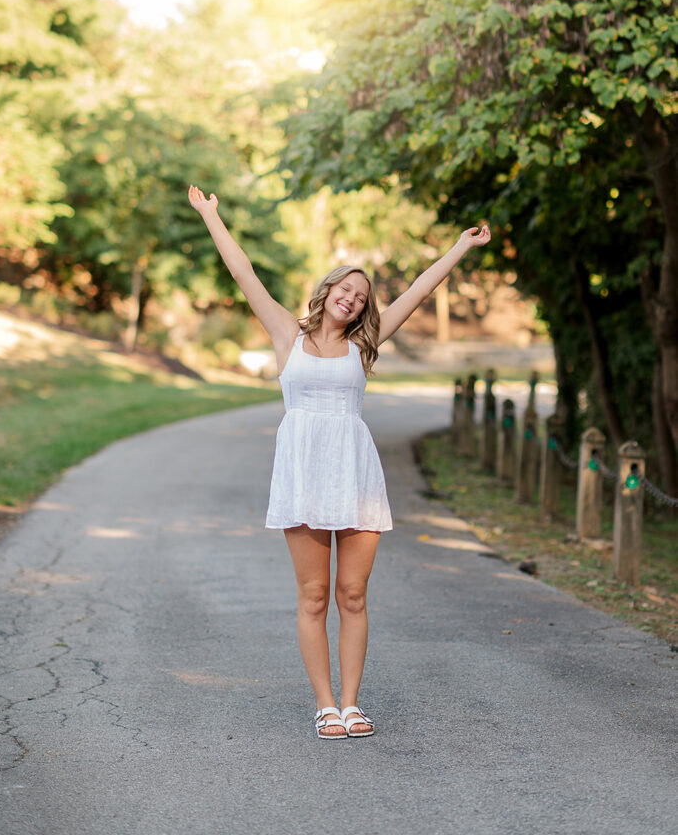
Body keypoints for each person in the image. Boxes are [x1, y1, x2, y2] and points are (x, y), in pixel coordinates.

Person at [188, 185, 491, 739]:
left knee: (353, 595)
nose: (352, 298)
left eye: (361, 295)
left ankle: (352, 704)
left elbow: (421, 291)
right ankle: (325, 704)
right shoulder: (286, 334)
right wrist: (212, 214)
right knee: (315, 595)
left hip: (355, 473)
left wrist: (459, 248)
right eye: (345, 288)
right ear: (326, 292)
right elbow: (243, 273)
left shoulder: (364, 343)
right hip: (303, 470)